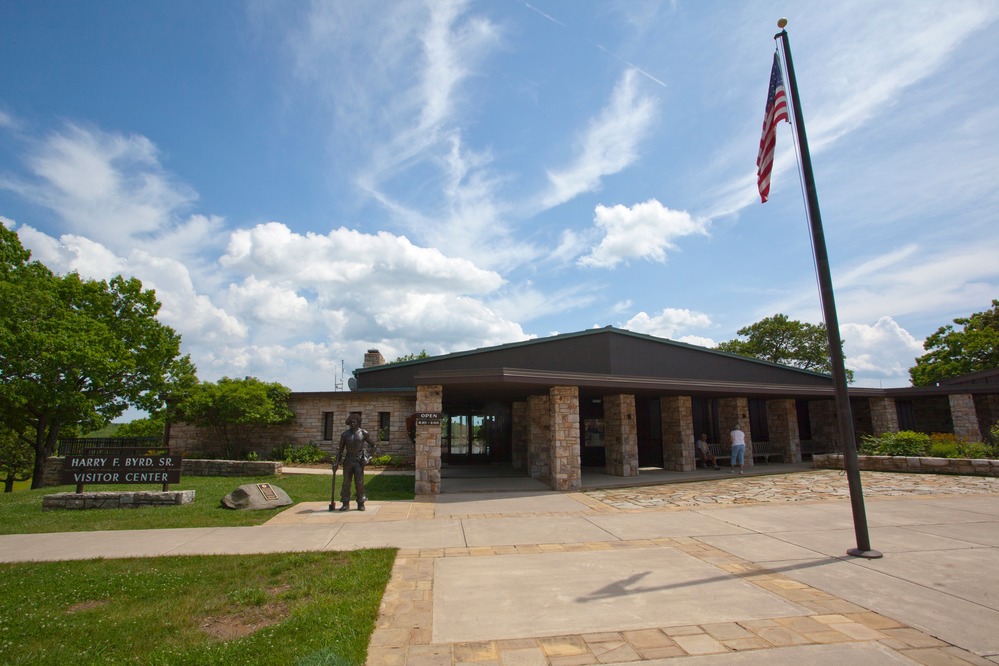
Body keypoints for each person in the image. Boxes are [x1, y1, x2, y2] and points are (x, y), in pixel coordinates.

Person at [336, 414, 378, 511]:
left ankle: (361, 502)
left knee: (359, 482)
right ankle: (345, 502)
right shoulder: (345, 434)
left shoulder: (363, 433)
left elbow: (373, 446)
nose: (352, 423)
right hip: (348, 460)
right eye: (351, 421)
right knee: (346, 482)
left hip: (358, 460)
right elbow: (340, 450)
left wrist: (367, 457)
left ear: (358, 422)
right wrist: (336, 462)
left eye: (354, 421)